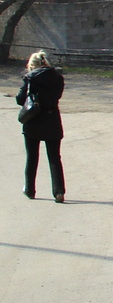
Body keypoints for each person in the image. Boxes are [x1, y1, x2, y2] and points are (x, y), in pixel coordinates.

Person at [16, 50, 66, 203]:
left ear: (32, 65)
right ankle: (59, 191)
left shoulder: (30, 79)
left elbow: (20, 99)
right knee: (54, 157)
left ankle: (30, 190)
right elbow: (57, 96)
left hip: (33, 121)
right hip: (52, 120)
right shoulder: (58, 78)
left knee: (32, 156)